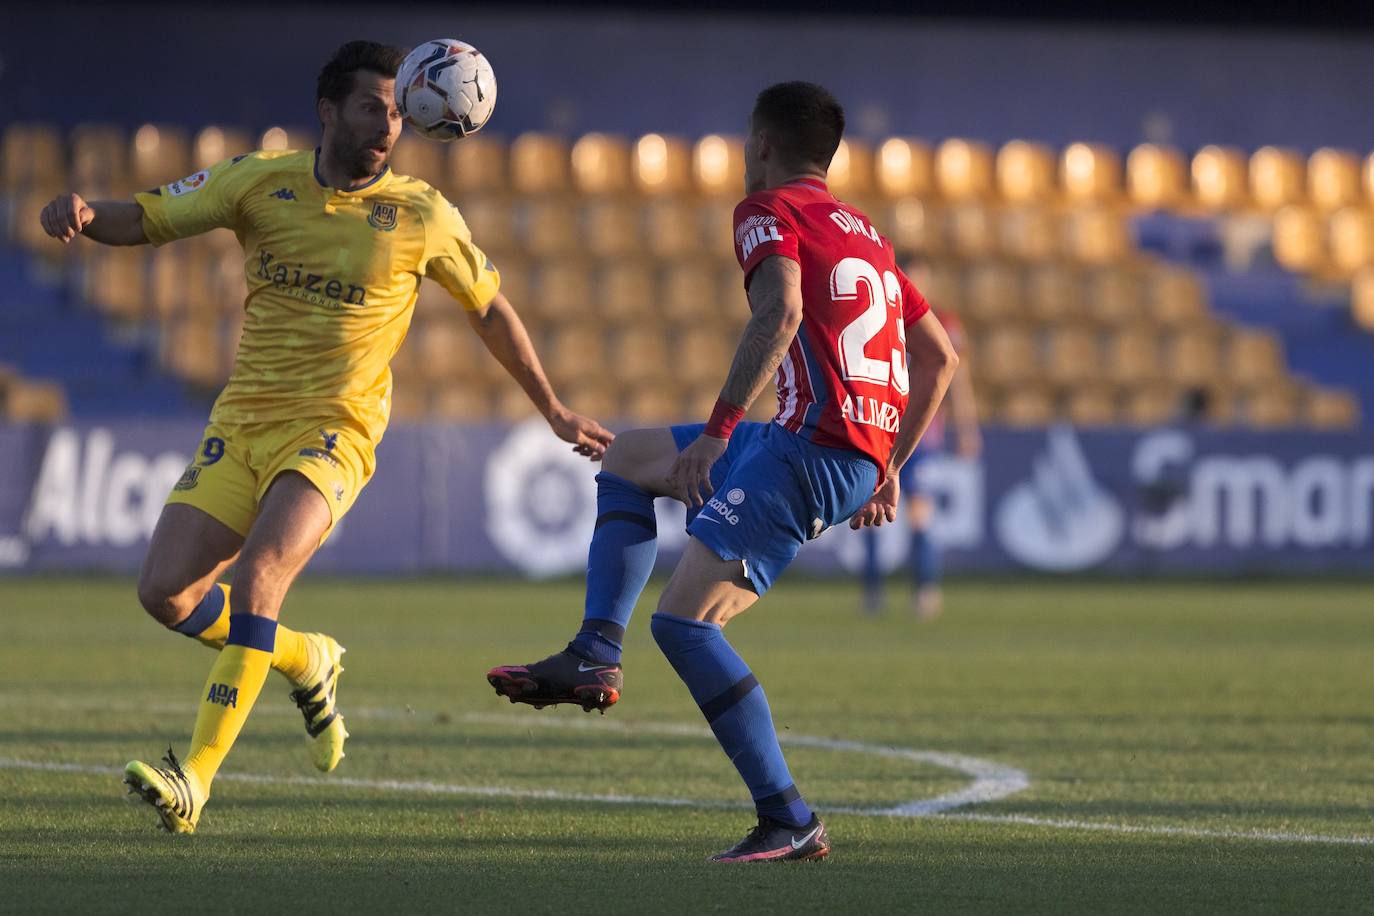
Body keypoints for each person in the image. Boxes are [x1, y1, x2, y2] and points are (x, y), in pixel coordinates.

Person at [37, 40, 612, 834]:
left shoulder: (421, 215)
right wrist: (84, 213)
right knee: (165, 595)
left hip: (336, 429)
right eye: (373, 106)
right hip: (242, 424)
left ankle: (195, 780)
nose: (389, 123)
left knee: (261, 578)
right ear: (327, 111)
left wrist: (552, 408)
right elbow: (150, 216)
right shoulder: (258, 182)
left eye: (398, 110)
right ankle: (305, 657)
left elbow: (488, 309)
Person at [487, 82, 958, 862]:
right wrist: (888, 465)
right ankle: (594, 651)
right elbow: (938, 358)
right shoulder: (867, 235)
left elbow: (780, 313)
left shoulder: (769, 211)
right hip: (833, 446)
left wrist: (716, 433)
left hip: (806, 449)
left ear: (763, 144)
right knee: (631, 459)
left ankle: (788, 817)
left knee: (683, 623)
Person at [861, 287, 980, 619]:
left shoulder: (941, 321)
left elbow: (956, 377)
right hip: (880, 430)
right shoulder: (878, 315)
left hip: (922, 437)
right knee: (869, 513)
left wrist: (967, 427)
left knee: (919, 514)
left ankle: (925, 589)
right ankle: (872, 590)